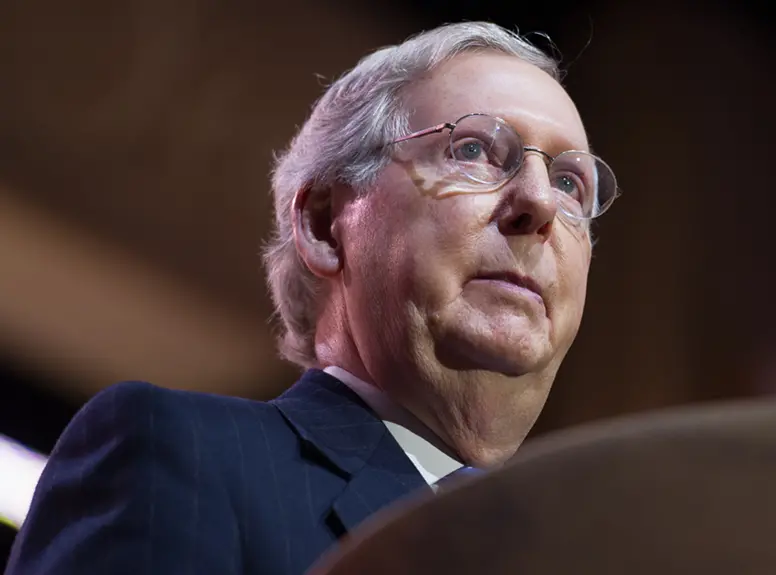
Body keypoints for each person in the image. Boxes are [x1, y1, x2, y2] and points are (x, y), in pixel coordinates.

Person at [6, 21, 619, 575]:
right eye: (474, 150)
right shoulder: (183, 459)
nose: (539, 203)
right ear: (327, 224)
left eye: (570, 183)